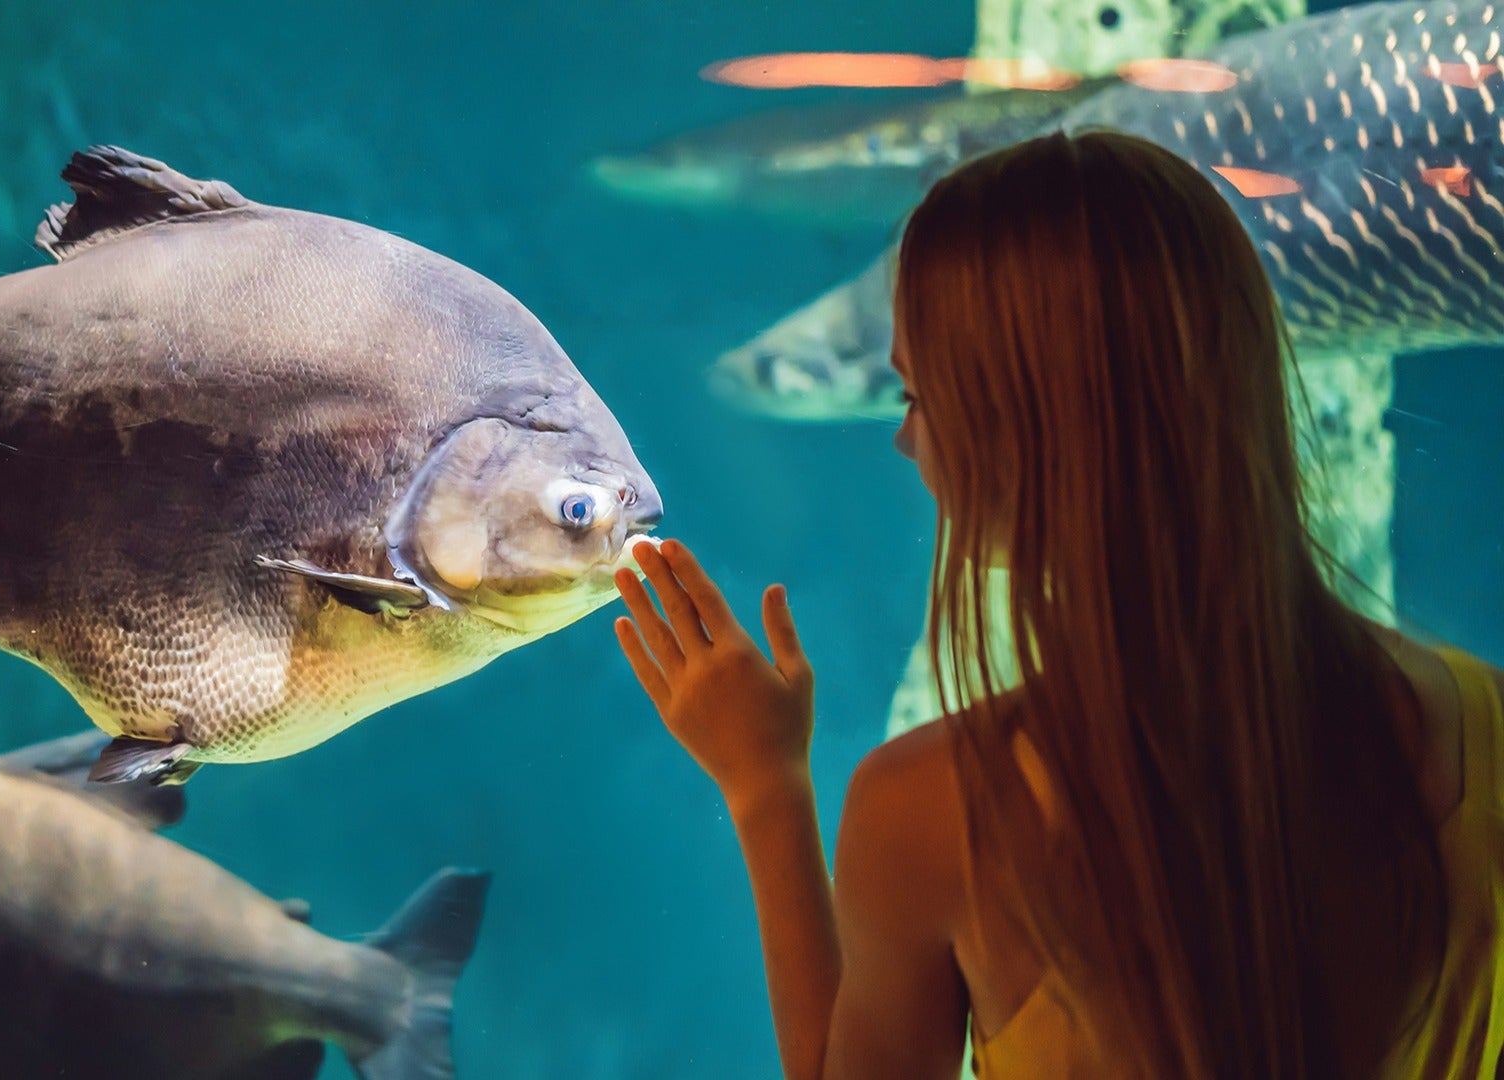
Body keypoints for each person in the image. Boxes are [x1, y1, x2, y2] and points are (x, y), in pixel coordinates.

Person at [612, 129, 1504, 1079]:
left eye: (918, 397)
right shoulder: (1484, 721)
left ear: (1027, 432)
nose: (905, 444)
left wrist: (765, 787)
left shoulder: (932, 811)